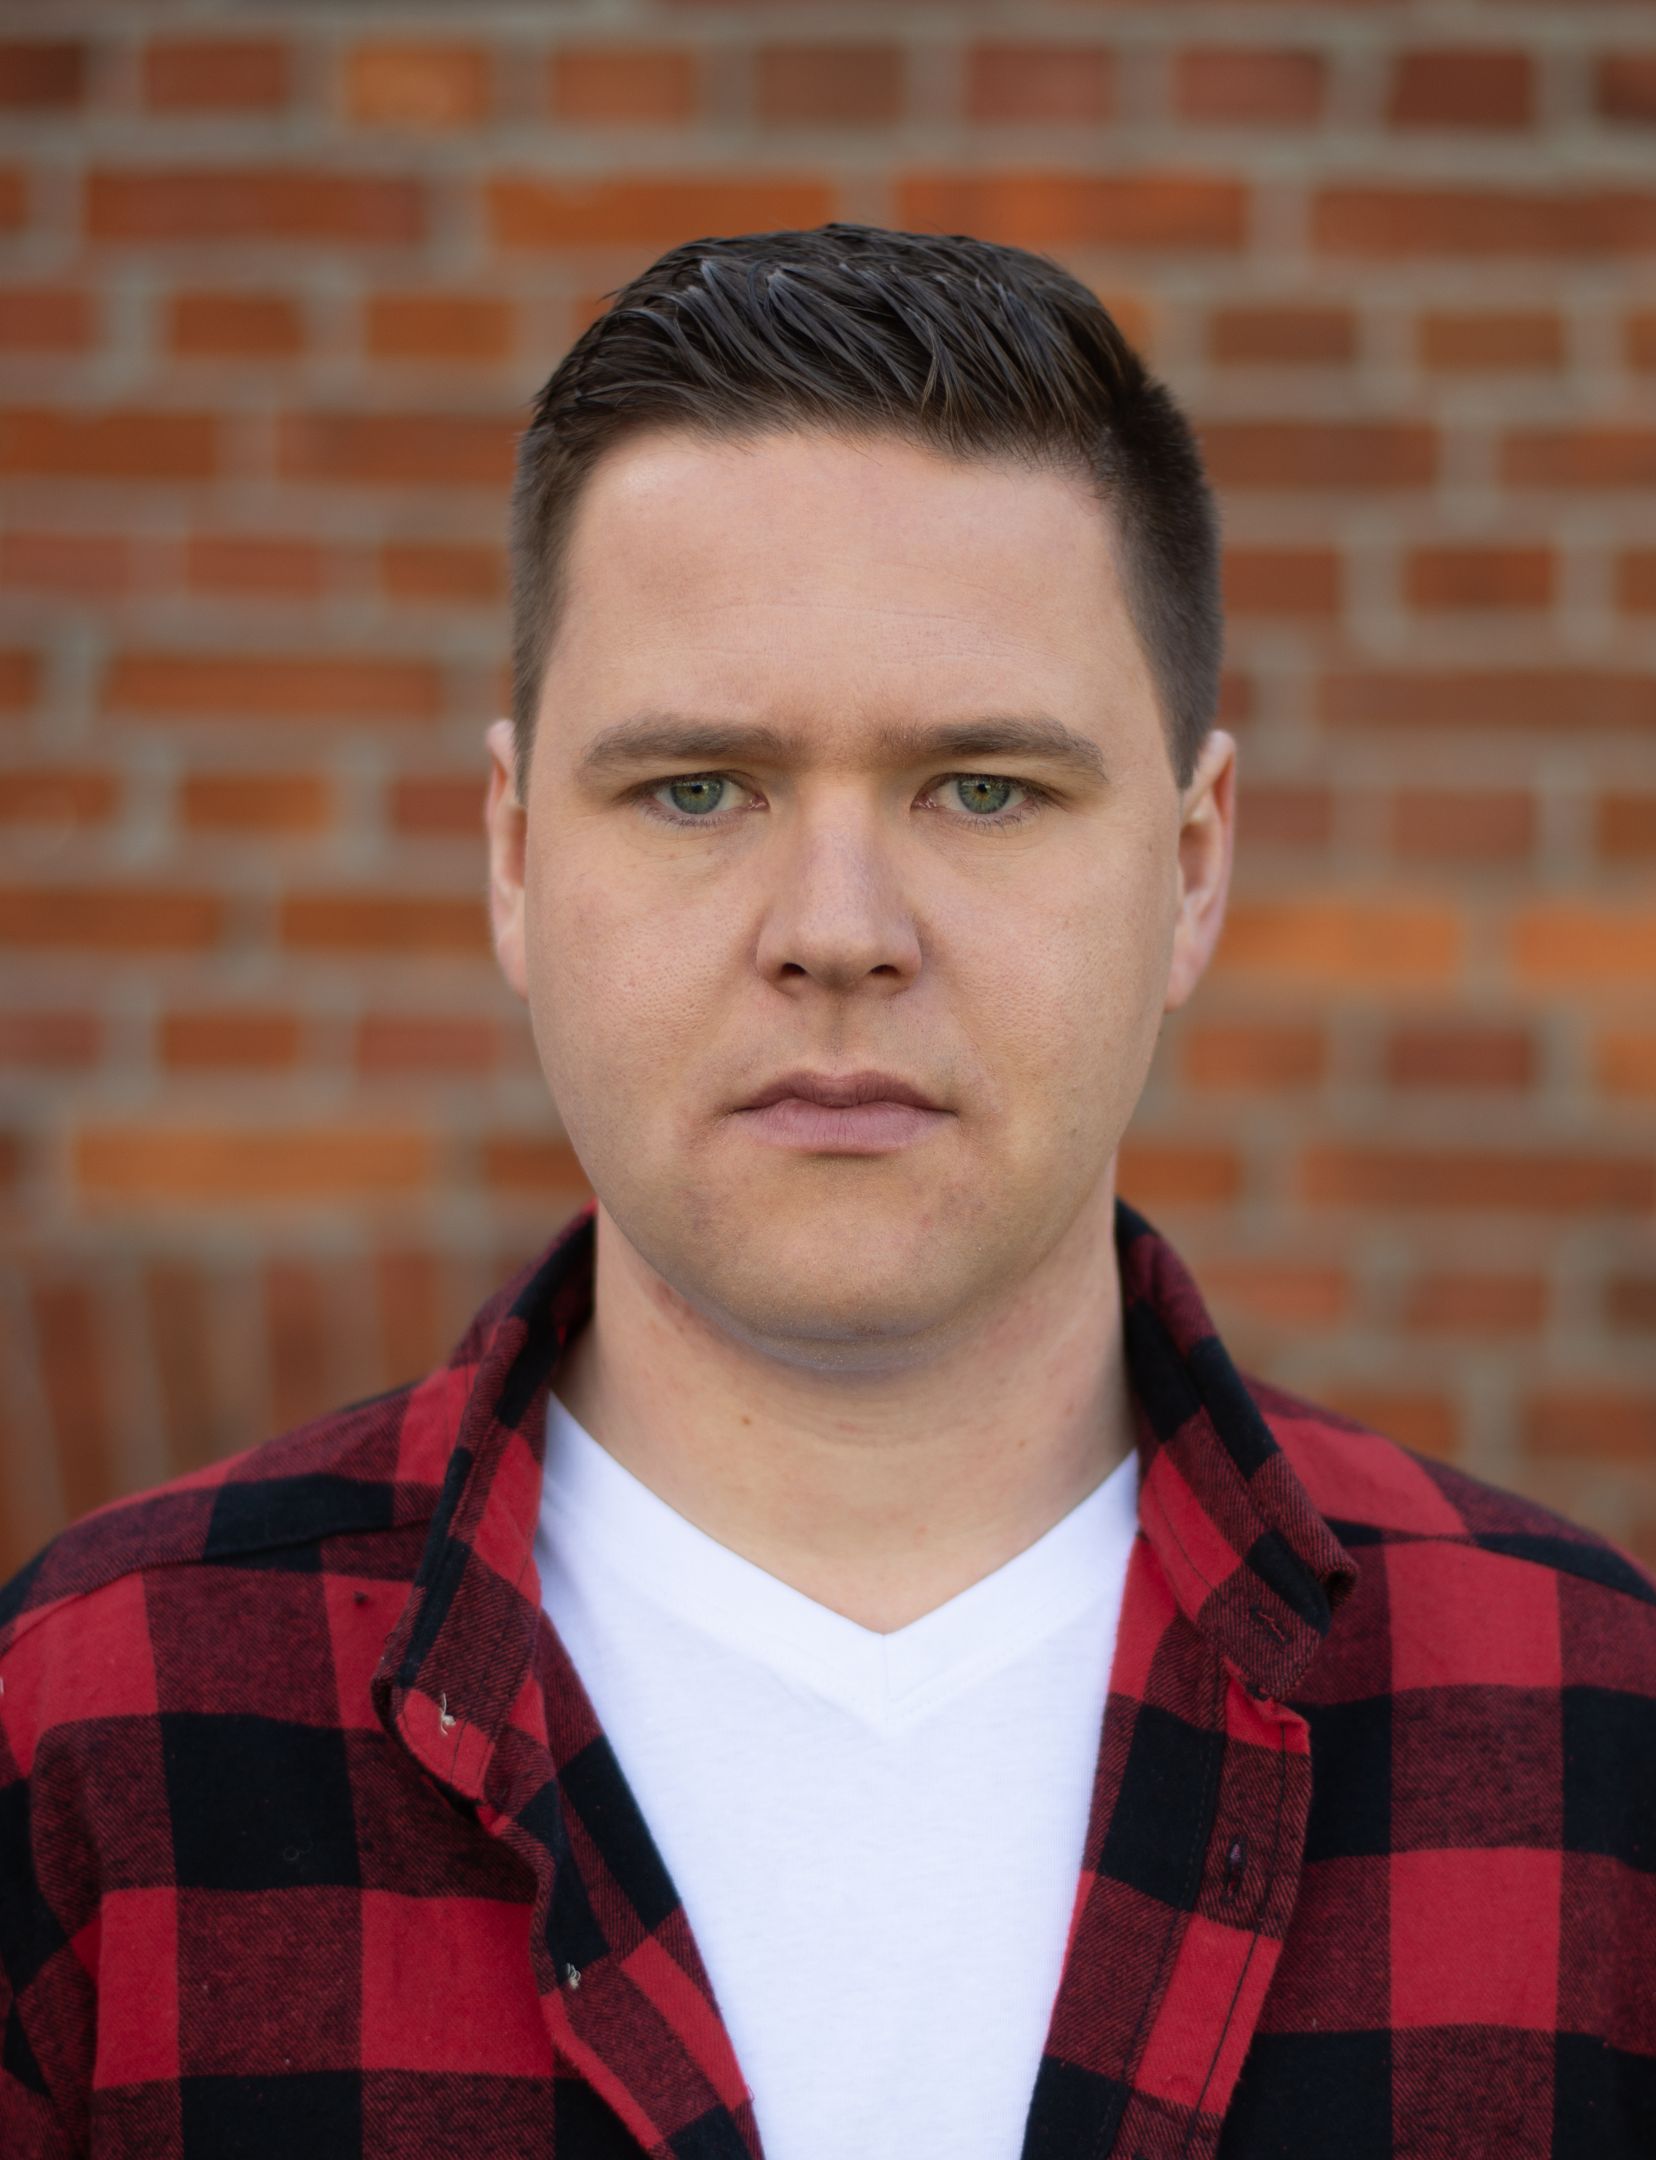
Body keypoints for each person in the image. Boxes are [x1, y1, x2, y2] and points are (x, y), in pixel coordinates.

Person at [2, 223, 1652, 2160]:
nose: (840, 929)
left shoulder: (1592, 1736)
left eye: (985, 788)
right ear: (515, 859)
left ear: (1194, 866)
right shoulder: (98, 1731)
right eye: (699, 788)